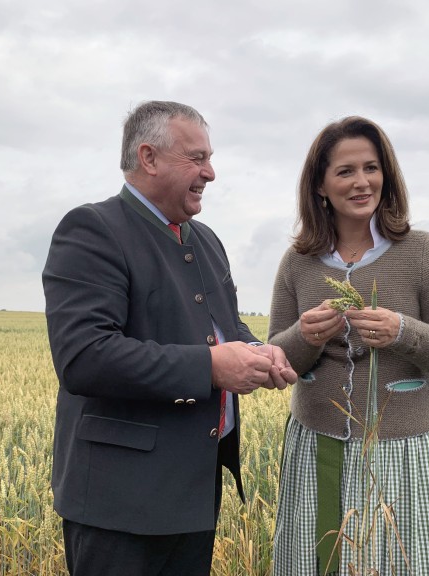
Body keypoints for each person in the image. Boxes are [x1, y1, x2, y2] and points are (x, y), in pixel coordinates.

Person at [42, 100, 297, 576]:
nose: (211, 172)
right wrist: (213, 366)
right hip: (118, 505)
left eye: (210, 157)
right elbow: (84, 357)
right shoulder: (93, 229)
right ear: (149, 157)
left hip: (193, 493)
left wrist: (259, 351)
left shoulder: (206, 240)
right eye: (196, 158)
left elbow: (224, 329)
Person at [268, 116, 429, 576]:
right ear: (320, 186)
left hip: (406, 450)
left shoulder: (423, 252)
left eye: (372, 168)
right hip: (319, 448)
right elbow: (275, 362)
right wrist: (305, 335)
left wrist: (403, 331)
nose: (362, 182)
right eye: (345, 171)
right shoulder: (298, 262)